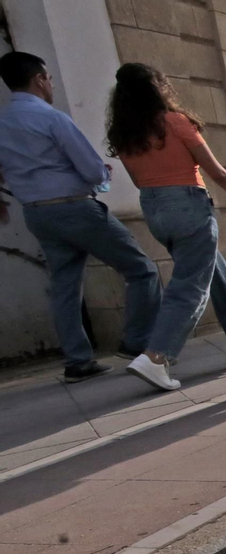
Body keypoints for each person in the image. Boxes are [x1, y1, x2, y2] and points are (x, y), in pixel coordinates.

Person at [106, 63, 226, 391]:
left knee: (218, 276)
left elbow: (140, 180)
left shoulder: (123, 135)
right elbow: (215, 169)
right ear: (158, 88)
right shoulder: (175, 122)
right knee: (191, 286)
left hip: (155, 209)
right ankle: (156, 357)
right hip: (188, 205)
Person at [0, 51, 160, 382]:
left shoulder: (3, 124)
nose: (51, 84)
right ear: (39, 80)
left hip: (37, 213)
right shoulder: (52, 118)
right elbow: (89, 167)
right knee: (141, 270)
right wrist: (103, 175)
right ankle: (135, 343)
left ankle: (77, 360)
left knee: (65, 285)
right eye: (50, 79)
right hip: (74, 206)